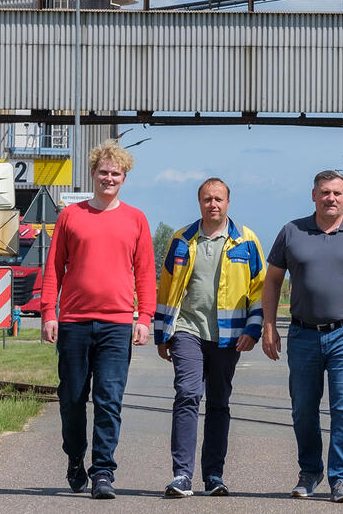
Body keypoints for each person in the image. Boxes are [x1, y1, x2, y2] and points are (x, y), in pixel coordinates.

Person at [260, 169, 343, 504]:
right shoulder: (292, 231)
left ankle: (341, 478)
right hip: (303, 333)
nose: (331, 198)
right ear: (314, 196)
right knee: (303, 408)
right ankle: (310, 471)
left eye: (337, 193)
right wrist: (270, 325)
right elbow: (272, 280)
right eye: (324, 193)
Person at [39, 139, 156, 500]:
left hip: (117, 324)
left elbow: (145, 273)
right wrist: (48, 312)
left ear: (124, 178)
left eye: (115, 173)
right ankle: (75, 457)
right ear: (93, 174)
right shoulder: (71, 216)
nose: (109, 178)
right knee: (72, 398)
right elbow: (53, 268)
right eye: (103, 172)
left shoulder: (136, 219)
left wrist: (144, 317)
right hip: (73, 322)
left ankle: (103, 471)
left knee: (109, 399)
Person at [152, 178, 266, 498]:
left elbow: (259, 290)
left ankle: (214, 475)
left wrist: (253, 330)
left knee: (219, 402)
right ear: (199, 202)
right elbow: (166, 289)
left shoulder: (246, 240)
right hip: (187, 329)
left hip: (229, 335)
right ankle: (182, 475)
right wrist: (162, 334)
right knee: (187, 393)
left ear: (228, 202)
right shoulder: (181, 240)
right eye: (206, 199)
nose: (212, 204)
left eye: (218, 199)